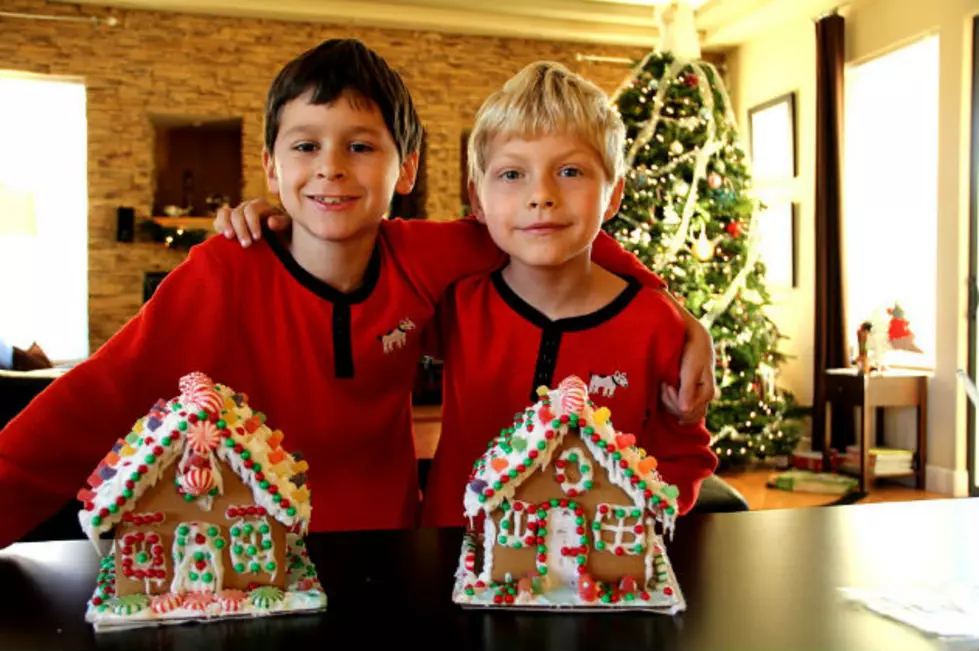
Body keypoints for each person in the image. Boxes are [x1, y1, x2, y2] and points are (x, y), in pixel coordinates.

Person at [0, 39, 712, 549]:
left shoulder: (427, 258)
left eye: (361, 147)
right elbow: (84, 406)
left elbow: (546, 237)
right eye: (305, 146)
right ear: (271, 171)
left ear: (405, 170)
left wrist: (671, 314)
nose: (331, 169)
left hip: (398, 556)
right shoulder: (224, 271)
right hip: (255, 564)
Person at [419, 62, 717, 526]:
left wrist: (641, 528)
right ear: (477, 200)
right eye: (512, 174)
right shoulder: (454, 302)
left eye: (571, 170)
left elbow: (681, 455)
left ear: (613, 195)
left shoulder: (657, 325)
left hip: (600, 577)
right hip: (457, 556)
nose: (541, 194)